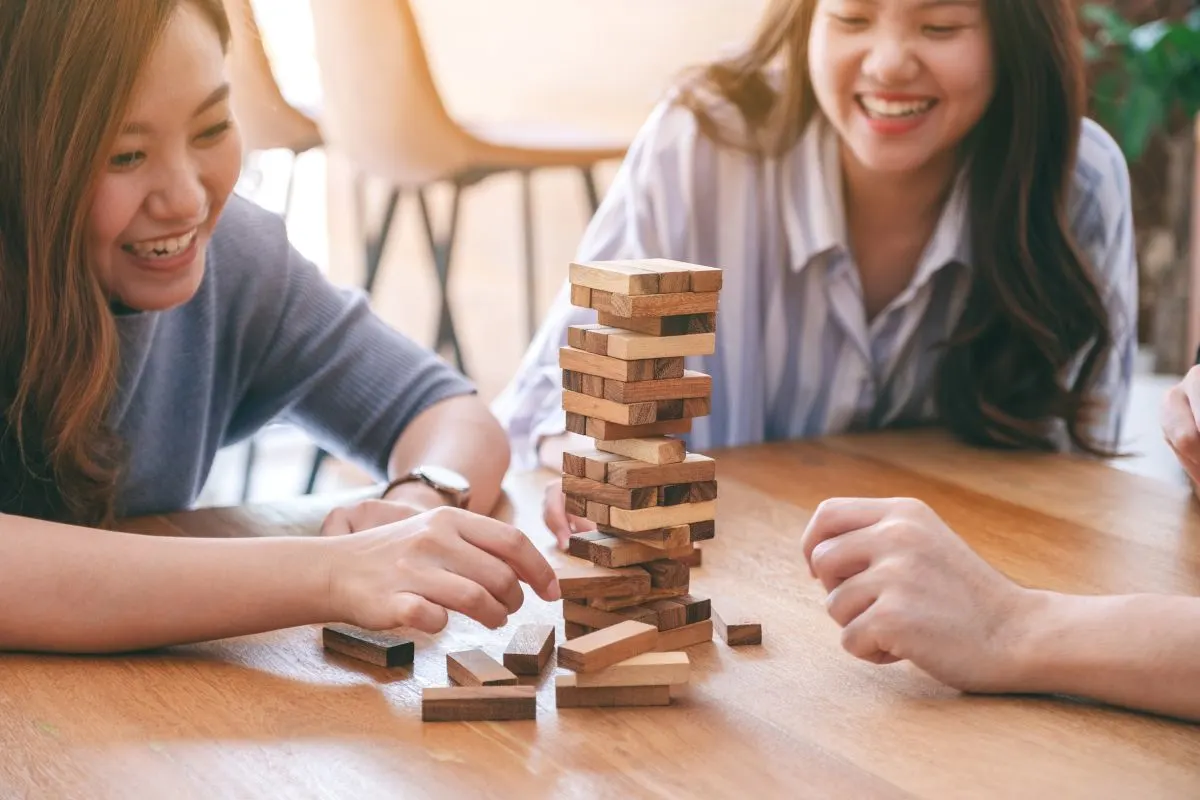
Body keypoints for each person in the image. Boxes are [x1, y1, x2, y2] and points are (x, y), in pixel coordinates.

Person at [0, 0, 559, 655]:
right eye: (125, 156)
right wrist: (334, 570)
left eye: (210, 129)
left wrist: (416, 504)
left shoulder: (233, 257)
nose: (185, 198)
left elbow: (443, 409)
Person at [491, 0, 1138, 549]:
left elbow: (1079, 481)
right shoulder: (701, 145)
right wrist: (599, 459)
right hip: (729, 577)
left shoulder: (1077, 183)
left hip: (969, 596)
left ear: (1014, 41)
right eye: (852, 17)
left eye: (940, 27)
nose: (887, 63)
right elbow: (546, 398)